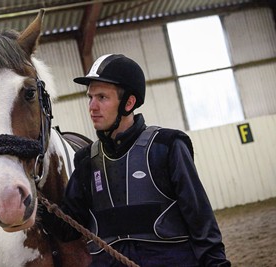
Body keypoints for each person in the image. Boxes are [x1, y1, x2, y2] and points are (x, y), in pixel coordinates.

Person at [41, 54, 230, 266]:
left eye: (102, 97)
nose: (92, 106)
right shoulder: (86, 160)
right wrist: (39, 205)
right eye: (90, 97)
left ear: (129, 103)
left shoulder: (167, 147)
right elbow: (69, 228)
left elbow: (200, 219)